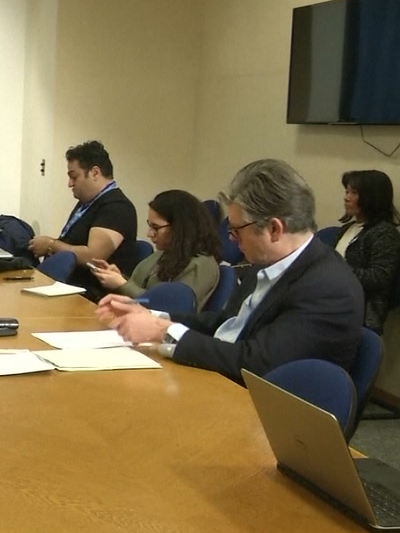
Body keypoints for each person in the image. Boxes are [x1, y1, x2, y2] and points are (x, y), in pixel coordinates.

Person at [96, 159, 364, 384]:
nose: (232, 240)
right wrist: (153, 316)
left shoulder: (327, 288)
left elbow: (257, 363)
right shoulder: (267, 262)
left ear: (274, 229)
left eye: (237, 230)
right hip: (220, 379)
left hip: (257, 406)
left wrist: (162, 331)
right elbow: (225, 324)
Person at [27, 141, 138, 300]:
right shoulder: (87, 203)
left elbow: (93, 256)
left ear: (95, 173)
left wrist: (51, 245)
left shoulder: (117, 207)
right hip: (67, 287)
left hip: (92, 296)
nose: (70, 184)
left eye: (74, 177)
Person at [89, 190, 222, 311]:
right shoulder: (165, 253)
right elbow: (145, 290)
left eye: (156, 228)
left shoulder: (202, 265)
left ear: (179, 227)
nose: (150, 234)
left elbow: (168, 309)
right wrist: (119, 277)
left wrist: (122, 284)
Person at [334, 170, 400, 334]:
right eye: (347, 192)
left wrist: (337, 270)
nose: (346, 198)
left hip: (361, 314)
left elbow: (378, 278)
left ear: (372, 197)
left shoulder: (385, 233)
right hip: (334, 302)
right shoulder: (347, 229)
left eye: (354, 193)